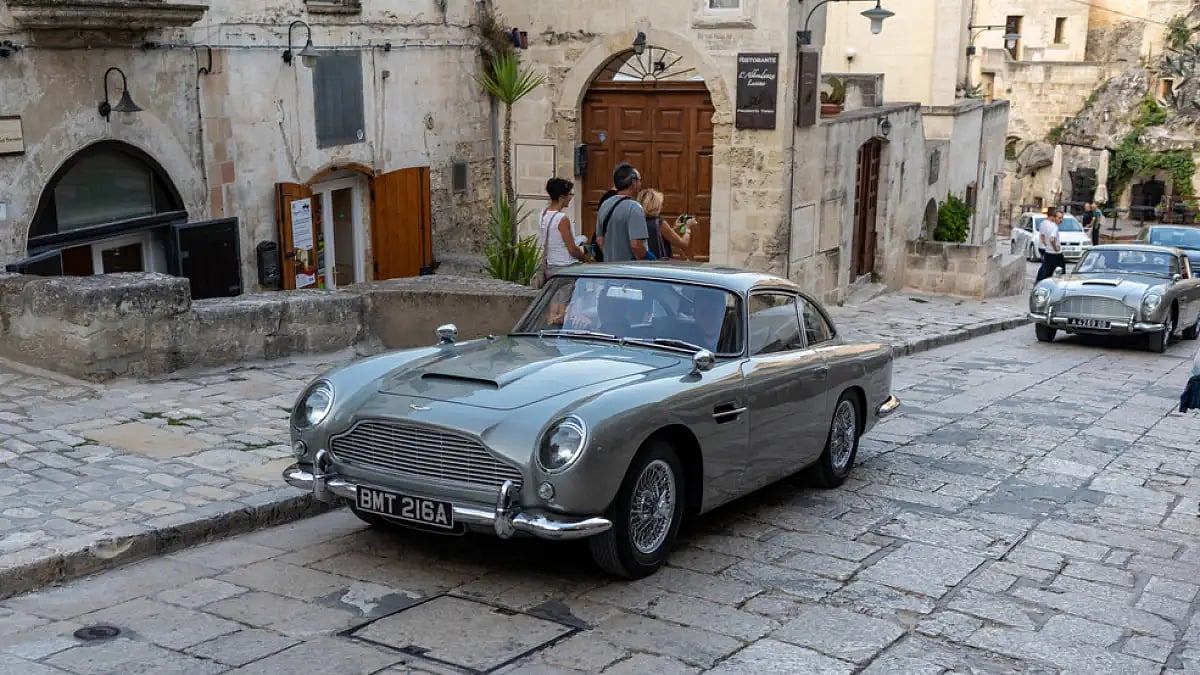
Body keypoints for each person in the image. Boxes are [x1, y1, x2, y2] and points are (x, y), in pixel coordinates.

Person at [539, 177, 593, 275]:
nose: (570, 198)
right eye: (569, 194)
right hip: (565, 266)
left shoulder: (544, 214)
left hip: (551, 265)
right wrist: (585, 258)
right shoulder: (562, 219)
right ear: (561, 197)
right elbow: (572, 249)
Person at [596, 164, 648, 262]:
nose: (641, 184)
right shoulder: (634, 208)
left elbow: (600, 240)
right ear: (633, 182)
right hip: (629, 270)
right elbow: (636, 245)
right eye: (640, 180)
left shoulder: (605, 205)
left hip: (609, 267)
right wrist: (647, 259)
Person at [638, 188, 693, 261]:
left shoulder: (638, 221)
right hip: (659, 264)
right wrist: (687, 228)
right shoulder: (659, 223)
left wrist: (674, 229)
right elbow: (683, 244)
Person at [1037, 208, 1065, 282]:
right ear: (1054, 217)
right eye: (1059, 218)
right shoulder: (1054, 227)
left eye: (1062, 218)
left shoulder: (1047, 224)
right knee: (1061, 273)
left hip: (1048, 252)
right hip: (1056, 254)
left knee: (1046, 273)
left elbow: (1043, 237)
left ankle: (1040, 284)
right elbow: (1052, 239)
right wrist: (1055, 248)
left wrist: (1047, 245)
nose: (1061, 220)